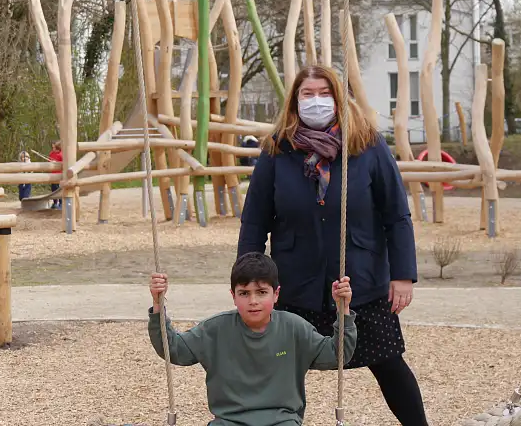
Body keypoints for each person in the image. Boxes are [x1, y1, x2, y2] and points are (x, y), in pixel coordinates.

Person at [238, 65, 427, 426]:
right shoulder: (277, 149)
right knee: (282, 367)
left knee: (389, 363)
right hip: (296, 283)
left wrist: (403, 275)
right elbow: (255, 220)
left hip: (360, 280)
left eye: (324, 94)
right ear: (295, 101)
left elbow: (396, 215)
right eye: (307, 94)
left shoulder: (367, 144)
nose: (316, 101)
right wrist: (247, 279)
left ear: (339, 99)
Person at [148, 252, 357, 426]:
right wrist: (158, 305)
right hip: (229, 421)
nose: (253, 301)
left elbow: (337, 355)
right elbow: (173, 349)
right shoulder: (215, 329)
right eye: (244, 293)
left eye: (261, 292)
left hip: (282, 420)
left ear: (276, 294)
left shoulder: (294, 328)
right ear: (233, 296)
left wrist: (343, 310)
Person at [48, 140, 62, 209]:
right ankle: (55, 202)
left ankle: (61, 203)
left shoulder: (62, 154)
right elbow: (49, 161)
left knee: (60, 189)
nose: (53, 149)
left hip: (60, 175)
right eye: (52, 147)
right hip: (53, 174)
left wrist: (57, 163)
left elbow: (64, 163)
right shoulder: (51, 153)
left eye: (55, 148)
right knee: (53, 189)